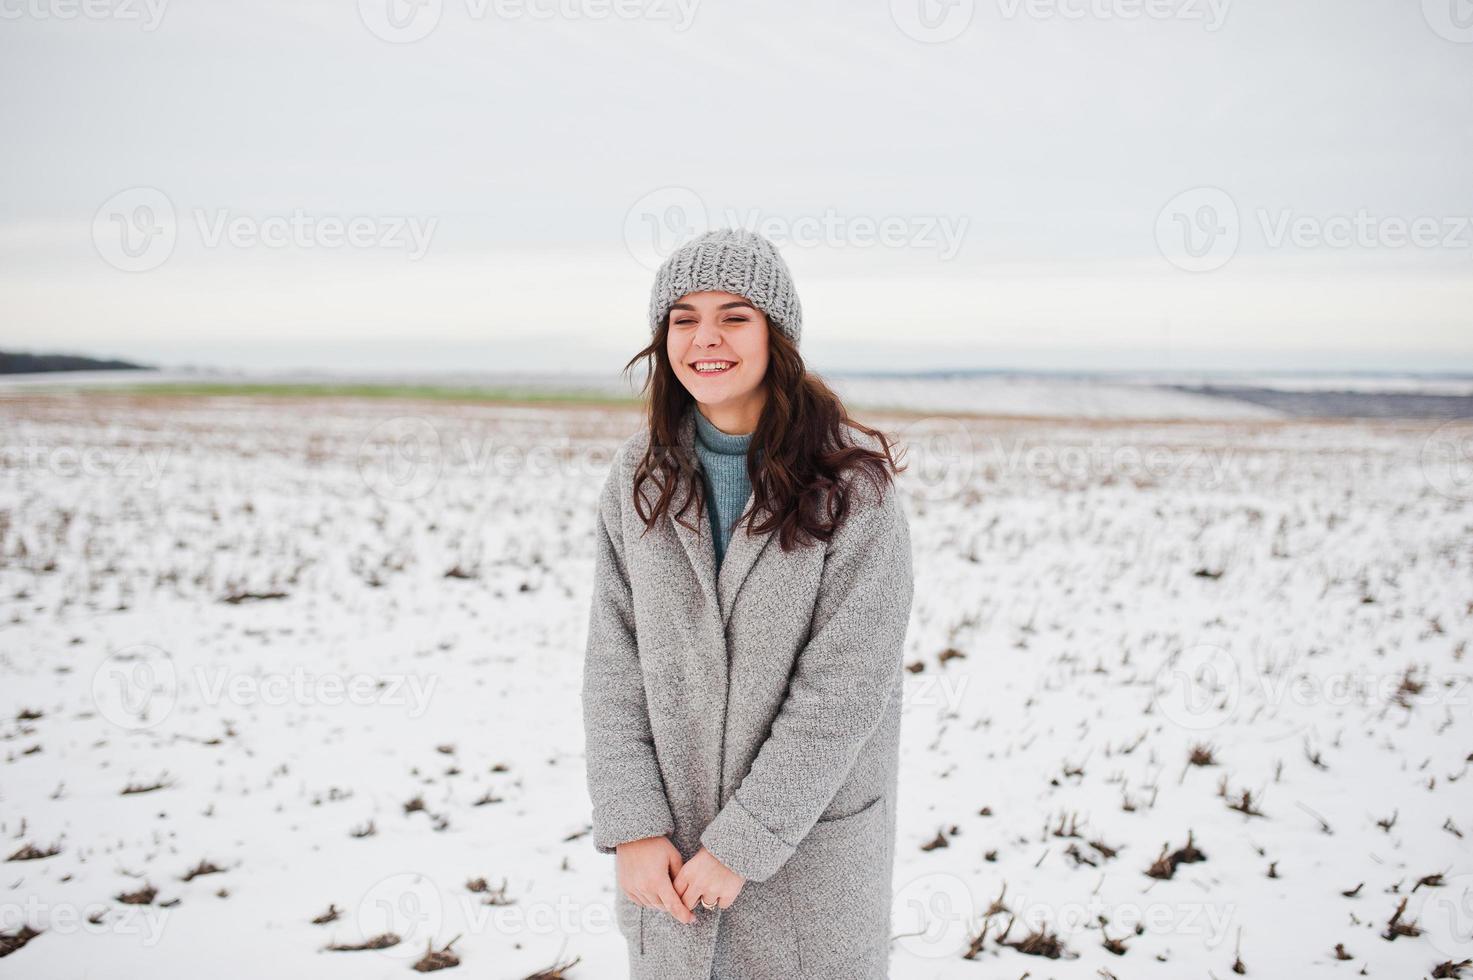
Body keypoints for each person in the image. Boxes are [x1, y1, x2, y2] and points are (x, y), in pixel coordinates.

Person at [582, 227, 915, 979]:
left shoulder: (853, 488)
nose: (706, 338)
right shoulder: (637, 474)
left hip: (805, 864)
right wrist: (632, 826)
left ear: (777, 336)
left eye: (735, 316)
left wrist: (746, 840)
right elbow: (613, 665)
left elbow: (844, 691)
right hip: (666, 866)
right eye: (683, 318)